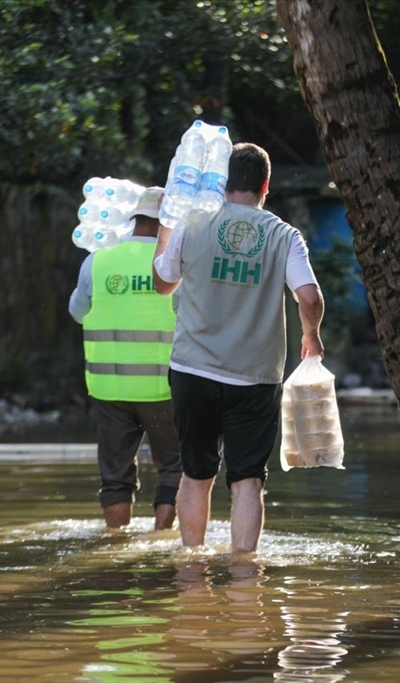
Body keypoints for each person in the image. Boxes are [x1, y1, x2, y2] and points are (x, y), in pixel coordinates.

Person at [152, 142, 325, 553]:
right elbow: (310, 296)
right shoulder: (284, 235)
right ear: (266, 184)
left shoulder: (192, 223)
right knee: (248, 478)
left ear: (222, 183)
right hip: (255, 377)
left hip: (193, 369)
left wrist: (167, 223)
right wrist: (311, 335)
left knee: (195, 474)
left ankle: (192, 568)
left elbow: (163, 284)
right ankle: (245, 577)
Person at [68, 186, 182, 530]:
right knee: (175, 466)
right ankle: (160, 538)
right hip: (164, 389)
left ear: (134, 218)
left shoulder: (98, 259)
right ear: (168, 221)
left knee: (115, 474)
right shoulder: (176, 263)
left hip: (110, 388)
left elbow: (77, 311)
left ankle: (116, 543)